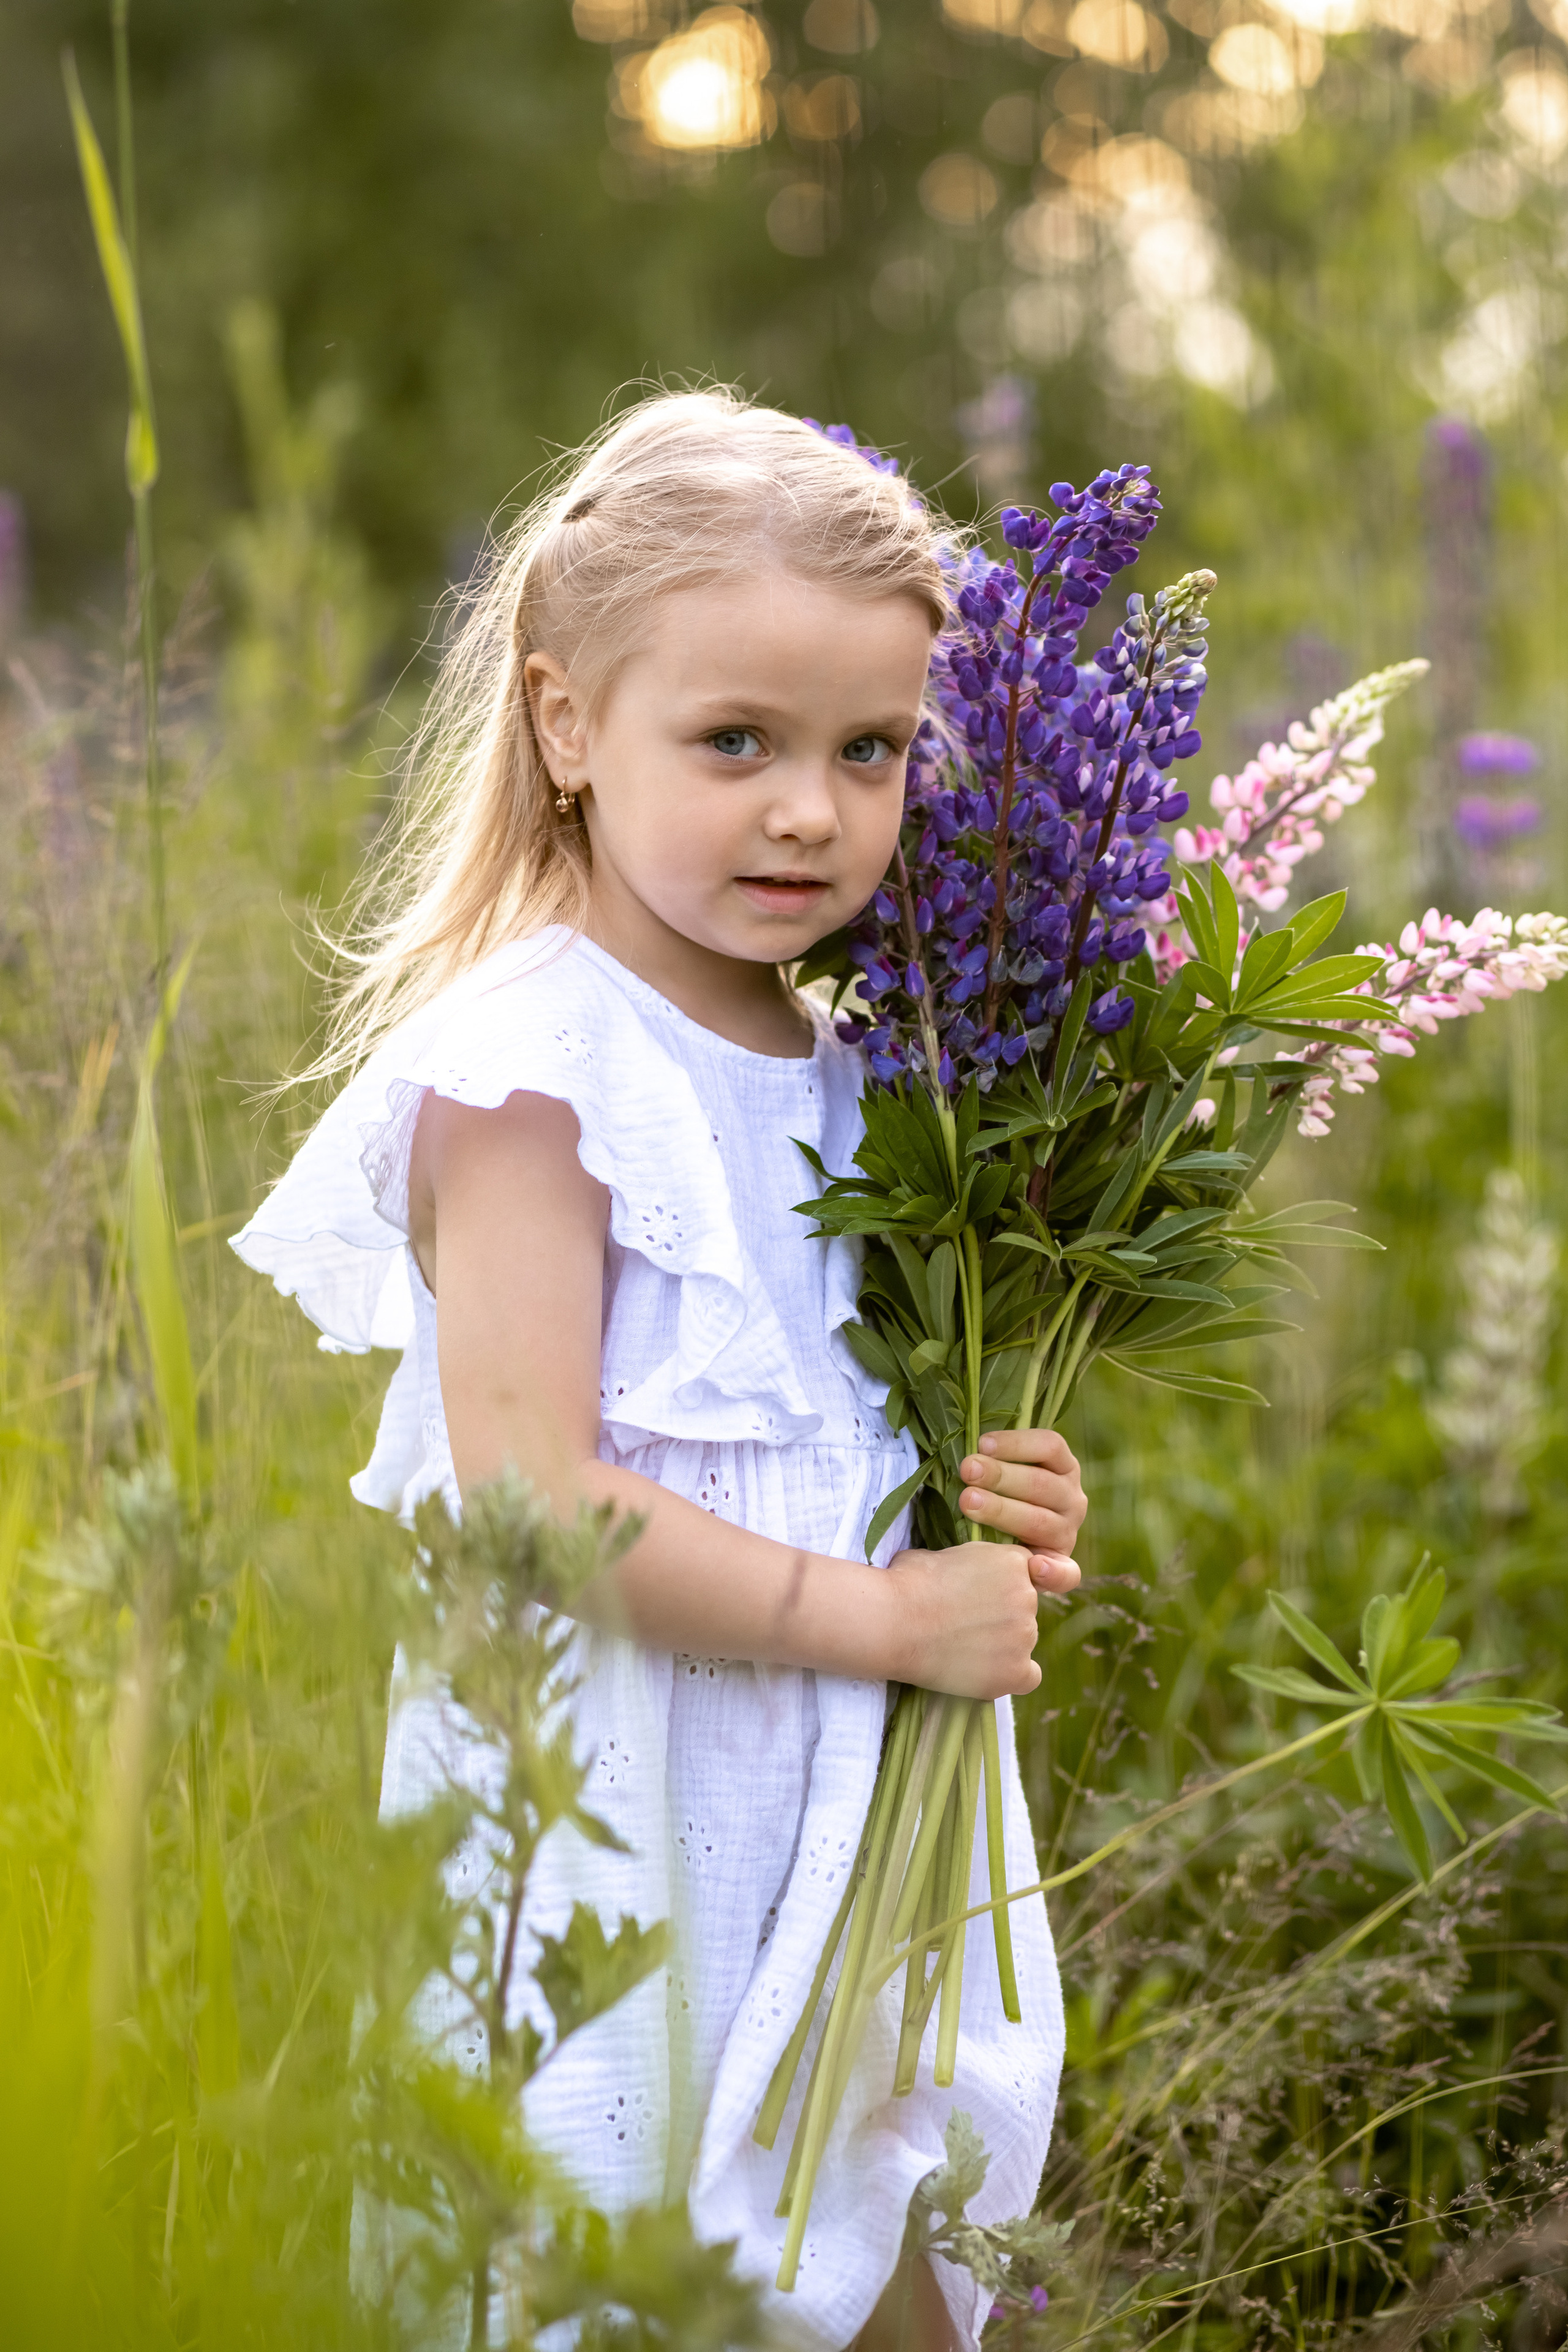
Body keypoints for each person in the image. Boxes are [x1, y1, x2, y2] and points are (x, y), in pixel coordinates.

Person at [233, 389, 1085, 2352]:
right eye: (736, 744)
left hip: (856, 1813)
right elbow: (532, 1503)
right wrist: (881, 1612)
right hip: (616, 1811)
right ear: (564, 727)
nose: (811, 809)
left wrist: (1001, 1516)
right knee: (629, 2278)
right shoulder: (541, 1065)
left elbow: (859, 1429)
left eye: (870, 751)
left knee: (894, 2252)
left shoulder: (877, 1070)